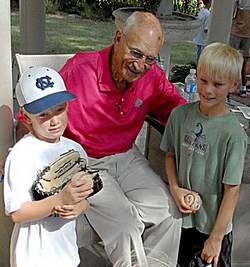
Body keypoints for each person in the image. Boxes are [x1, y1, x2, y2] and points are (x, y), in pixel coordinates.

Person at [16, 11, 187, 266]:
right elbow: (30, 119)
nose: (140, 66)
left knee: (171, 213)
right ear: (118, 38)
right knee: (125, 225)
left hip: (127, 157)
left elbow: (180, 112)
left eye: (150, 59)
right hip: (85, 160)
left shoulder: (151, 77)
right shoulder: (80, 70)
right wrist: (19, 157)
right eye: (136, 53)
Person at [160, 42, 248, 267]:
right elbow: (170, 155)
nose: (208, 90)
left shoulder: (234, 134)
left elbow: (232, 189)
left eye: (218, 84)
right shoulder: (179, 115)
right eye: (203, 80)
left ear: (233, 84)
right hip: (181, 222)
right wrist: (174, 188)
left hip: (213, 228)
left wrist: (216, 238)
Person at [4, 66, 93, 267]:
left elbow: (85, 199)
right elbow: (17, 213)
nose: (54, 120)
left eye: (60, 109)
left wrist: (80, 206)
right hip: (33, 259)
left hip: (68, 255)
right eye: (43, 115)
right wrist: (60, 199)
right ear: (26, 118)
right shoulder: (22, 154)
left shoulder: (76, 150)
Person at [229, 0, 250, 98]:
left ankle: (243, 87)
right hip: (235, 31)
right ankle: (228, 83)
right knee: (230, 58)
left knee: (245, 60)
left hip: (247, 34)